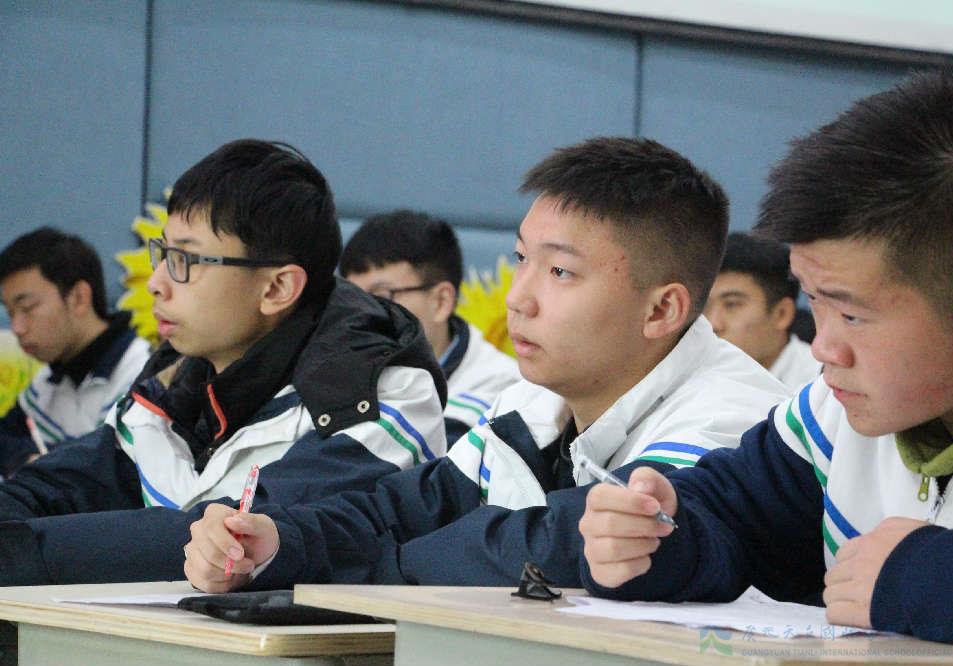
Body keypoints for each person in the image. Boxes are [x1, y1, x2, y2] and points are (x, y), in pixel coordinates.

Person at [183, 136, 790, 592]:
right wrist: (275, 542)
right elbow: (403, 508)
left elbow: (559, 544)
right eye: (522, 259)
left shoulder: (735, 418)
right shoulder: (530, 401)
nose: (518, 298)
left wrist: (363, 570)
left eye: (560, 271)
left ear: (661, 309)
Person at [578, 73, 953, 649]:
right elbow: (734, 516)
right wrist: (660, 538)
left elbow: (942, 580)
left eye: (851, 314)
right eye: (813, 301)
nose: (823, 347)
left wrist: (930, 578)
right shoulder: (833, 413)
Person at [0, 139, 447, 585]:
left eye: (185, 260)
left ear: (276, 288)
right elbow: (52, 488)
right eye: (162, 253)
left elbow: (229, 543)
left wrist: (18, 552)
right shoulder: (171, 381)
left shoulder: (380, 397)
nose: (156, 282)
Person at [340, 210, 521, 444]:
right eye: (352, 298)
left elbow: (414, 459)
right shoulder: (338, 365)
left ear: (441, 302)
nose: (361, 316)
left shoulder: (501, 390)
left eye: (381, 297)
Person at [0, 228, 150, 476]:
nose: (17, 327)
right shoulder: (48, 380)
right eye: (10, 312)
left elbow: (105, 472)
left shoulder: (142, 375)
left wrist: (42, 467)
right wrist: (29, 460)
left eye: (27, 308)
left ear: (79, 297)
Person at [704, 232, 820, 389]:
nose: (712, 324)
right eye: (704, 306)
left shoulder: (823, 385)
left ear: (782, 314)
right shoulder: (693, 378)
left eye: (731, 304)